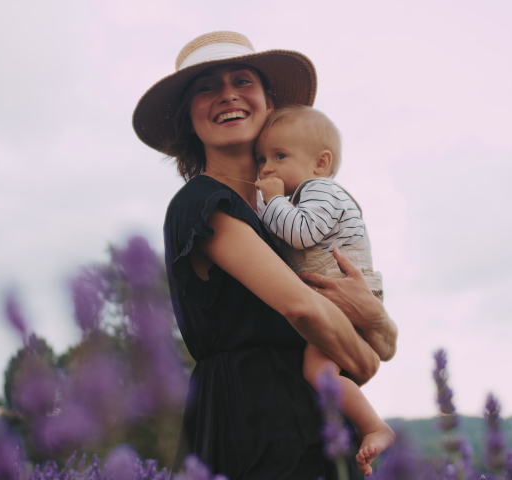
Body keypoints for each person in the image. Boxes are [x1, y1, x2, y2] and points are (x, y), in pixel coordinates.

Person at [132, 31, 398, 479]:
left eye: (242, 80)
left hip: (319, 423)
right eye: (206, 87)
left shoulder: (287, 216)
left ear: (269, 103)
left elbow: (382, 337)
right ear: (188, 118)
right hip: (253, 423)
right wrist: (365, 357)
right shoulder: (201, 204)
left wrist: (377, 323)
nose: (227, 95)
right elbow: (304, 307)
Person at [254, 105, 394, 475]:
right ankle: (354, 437)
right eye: (262, 159)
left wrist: (269, 200)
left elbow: (300, 232)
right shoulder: (307, 193)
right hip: (335, 294)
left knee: (318, 372)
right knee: (330, 369)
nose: (266, 168)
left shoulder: (321, 191)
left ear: (321, 163)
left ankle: (373, 426)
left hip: (343, 291)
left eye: (279, 156)